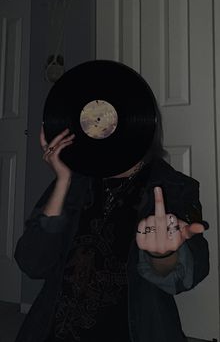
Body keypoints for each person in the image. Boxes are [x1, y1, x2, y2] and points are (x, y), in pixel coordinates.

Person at [14, 101, 209, 342]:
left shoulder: (173, 186)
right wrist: (63, 180)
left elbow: (189, 273)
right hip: (56, 329)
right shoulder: (76, 181)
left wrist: (163, 256)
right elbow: (32, 263)